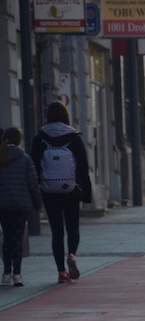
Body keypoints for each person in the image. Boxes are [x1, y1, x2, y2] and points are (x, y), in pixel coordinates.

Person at [30, 101, 93, 284]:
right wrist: (87, 194)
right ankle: (72, 254)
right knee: (73, 227)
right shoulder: (74, 138)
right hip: (71, 190)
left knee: (56, 232)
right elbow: (83, 167)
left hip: (49, 191)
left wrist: (36, 191)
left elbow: (34, 167)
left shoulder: (40, 138)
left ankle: (61, 272)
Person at [1, 128, 41, 287]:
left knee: (6, 237)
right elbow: (33, 183)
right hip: (20, 205)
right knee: (17, 239)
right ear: (19, 140)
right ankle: (17, 274)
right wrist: (37, 204)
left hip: (3, 205)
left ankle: (6, 273)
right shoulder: (25, 159)